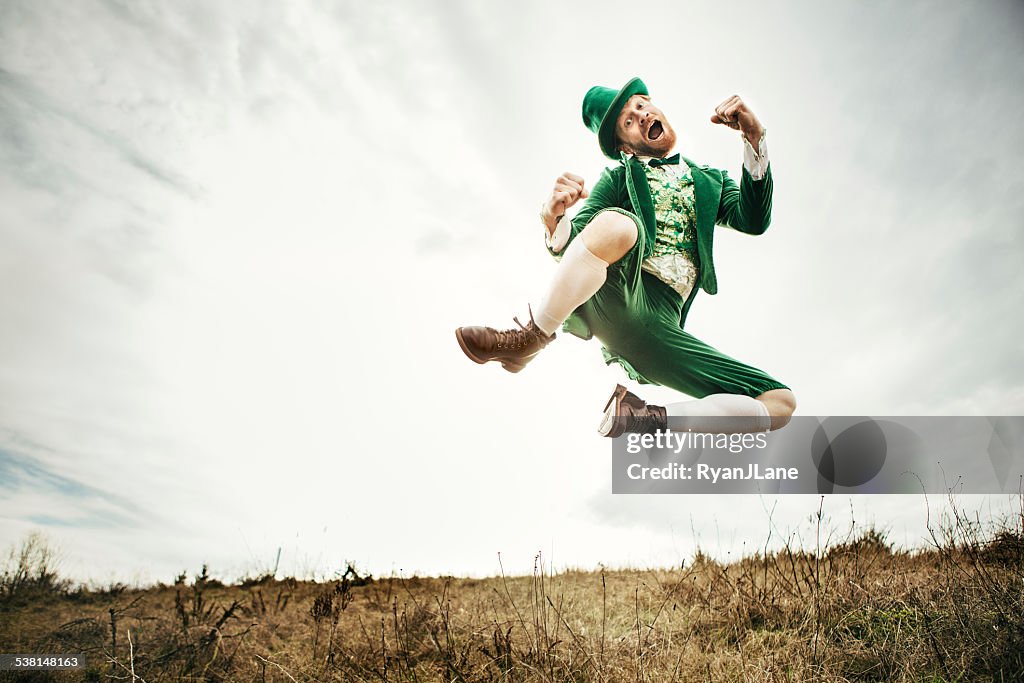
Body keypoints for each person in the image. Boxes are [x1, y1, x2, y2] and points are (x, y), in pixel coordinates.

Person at [455, 77, 796, 437]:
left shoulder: (710, 180)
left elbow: (753, 219)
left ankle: (644, 418)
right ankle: (530, 339)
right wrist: (553, 217)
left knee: (780, 402)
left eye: (640, 105)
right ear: (626, 147)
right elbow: (575, 243)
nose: (641, 115)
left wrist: (754, 138)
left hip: (660, 326)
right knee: (618, 226)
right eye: (629, 122)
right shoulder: (619, 178)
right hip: (619, 293)